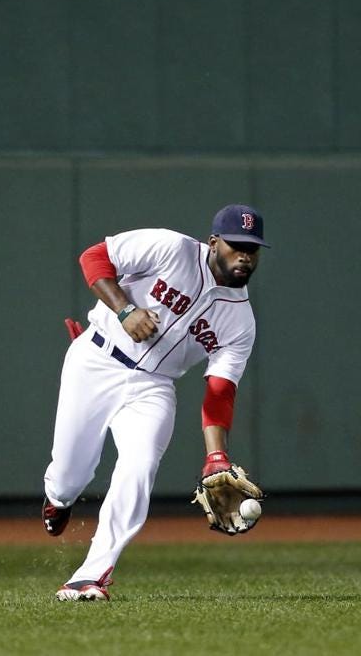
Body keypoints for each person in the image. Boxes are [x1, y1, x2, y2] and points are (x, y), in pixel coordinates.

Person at [41, 203, 269, 602]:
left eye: (252, 248)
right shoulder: (170, 248)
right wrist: (125, 310)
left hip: (154, 387)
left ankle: (90, 575)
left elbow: (219, 390)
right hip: (96, 358)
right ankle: (58, 499)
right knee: (68, 476)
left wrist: (216, 458)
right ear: (214, 242)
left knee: (139, 466)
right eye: (235, 245)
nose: (244, 255)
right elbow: (94, 257)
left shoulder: (241, 321)